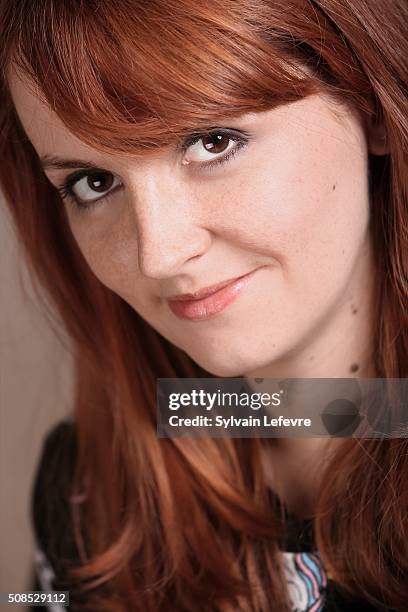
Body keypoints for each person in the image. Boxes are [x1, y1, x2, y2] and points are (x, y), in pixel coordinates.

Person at [0, 1, 406, 610]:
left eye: (213, 142)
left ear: (368, 106)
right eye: (93, 182)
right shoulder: (90, 491)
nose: (156, 254)